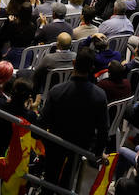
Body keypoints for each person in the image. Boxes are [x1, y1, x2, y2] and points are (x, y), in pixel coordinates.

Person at [39, 48, 109, 190]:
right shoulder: (100, 96)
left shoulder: (57, 91)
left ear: (74, 62)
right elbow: (103, 129)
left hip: (55, 143)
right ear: (92, 69)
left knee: (49, 180)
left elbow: (41, 124)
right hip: (81, 146)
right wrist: (97, 152)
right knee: (67, 182)